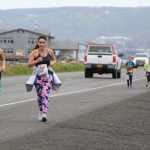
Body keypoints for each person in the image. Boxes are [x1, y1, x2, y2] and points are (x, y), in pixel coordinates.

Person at [28, 35, 57, 122]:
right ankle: (40, 111)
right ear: (37, 43)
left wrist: (51, 63)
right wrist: (37, 61)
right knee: (40, 96)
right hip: (38, 76)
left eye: (43, 42)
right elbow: (29, 65)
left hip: (48, 76)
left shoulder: (50, 51)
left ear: (46, 43)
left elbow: (55, 60)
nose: (42, 44)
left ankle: (44, 113)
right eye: (40, 42)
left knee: (45, 94)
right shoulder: (34, 53)